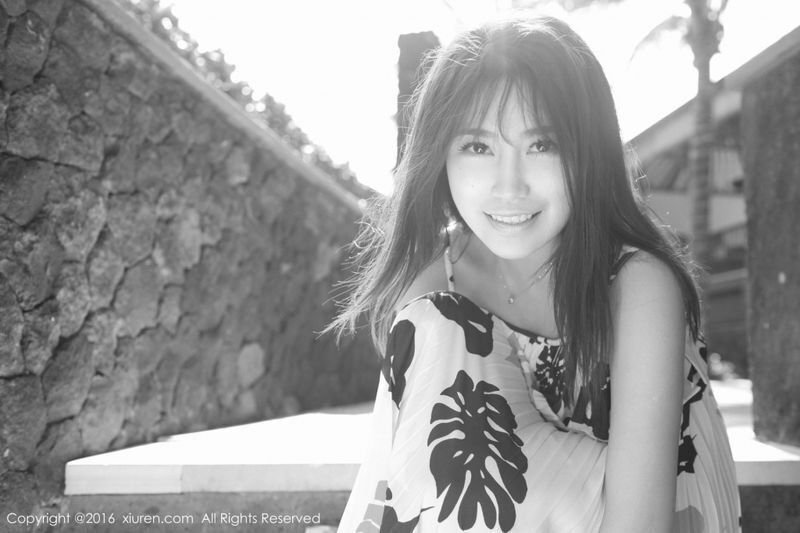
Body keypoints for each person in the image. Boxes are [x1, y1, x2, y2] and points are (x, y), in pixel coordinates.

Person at [329, 14, 741, 533]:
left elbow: (640, 524)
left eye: (542, 145)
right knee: (434, 324)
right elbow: (397, 484)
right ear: (440, 155)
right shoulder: (432, 284)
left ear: (589, 153)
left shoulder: (637, 285)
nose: (510, 187)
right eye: (478, 146)